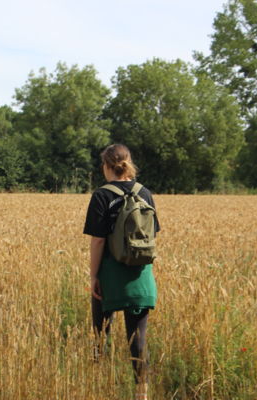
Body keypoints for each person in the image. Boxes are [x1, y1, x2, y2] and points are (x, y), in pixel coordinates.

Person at [83, 144, 159, 400]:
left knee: (100, 333)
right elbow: (151, 234)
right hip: (140, 275)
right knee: (138, 338)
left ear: (106, 166)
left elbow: (98, 241)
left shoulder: (102, 195)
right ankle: (142, 394)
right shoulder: (145, 193)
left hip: (110, 275)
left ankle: (97, 387)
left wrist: (94, 276)